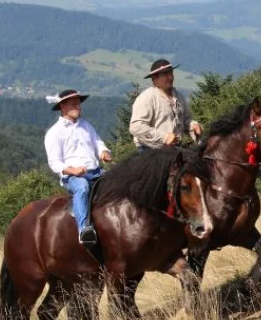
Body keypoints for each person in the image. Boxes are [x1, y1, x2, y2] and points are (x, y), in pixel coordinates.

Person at [44, 89, 113, 244]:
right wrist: (73, 170)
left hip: (96, 171)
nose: (79, 107)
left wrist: (103, 152)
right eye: (74, 104)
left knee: (118, 181)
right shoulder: (54, 133)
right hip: (73, 177)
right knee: (82, 187)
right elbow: (54, 163)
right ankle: (84, 230)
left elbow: (98, 143)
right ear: (63, 106)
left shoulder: (86, 126)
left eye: (79, 104)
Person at [130, 59, 202, 151]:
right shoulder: (146, 98)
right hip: (150, 151)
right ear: (154, 79)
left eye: (171, 73)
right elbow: (136, 127)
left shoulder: (179, 97)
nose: (170, 77)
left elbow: (186, 120)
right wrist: (164, 137)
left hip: (175, 149)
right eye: (165, 75)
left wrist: (193, 126)